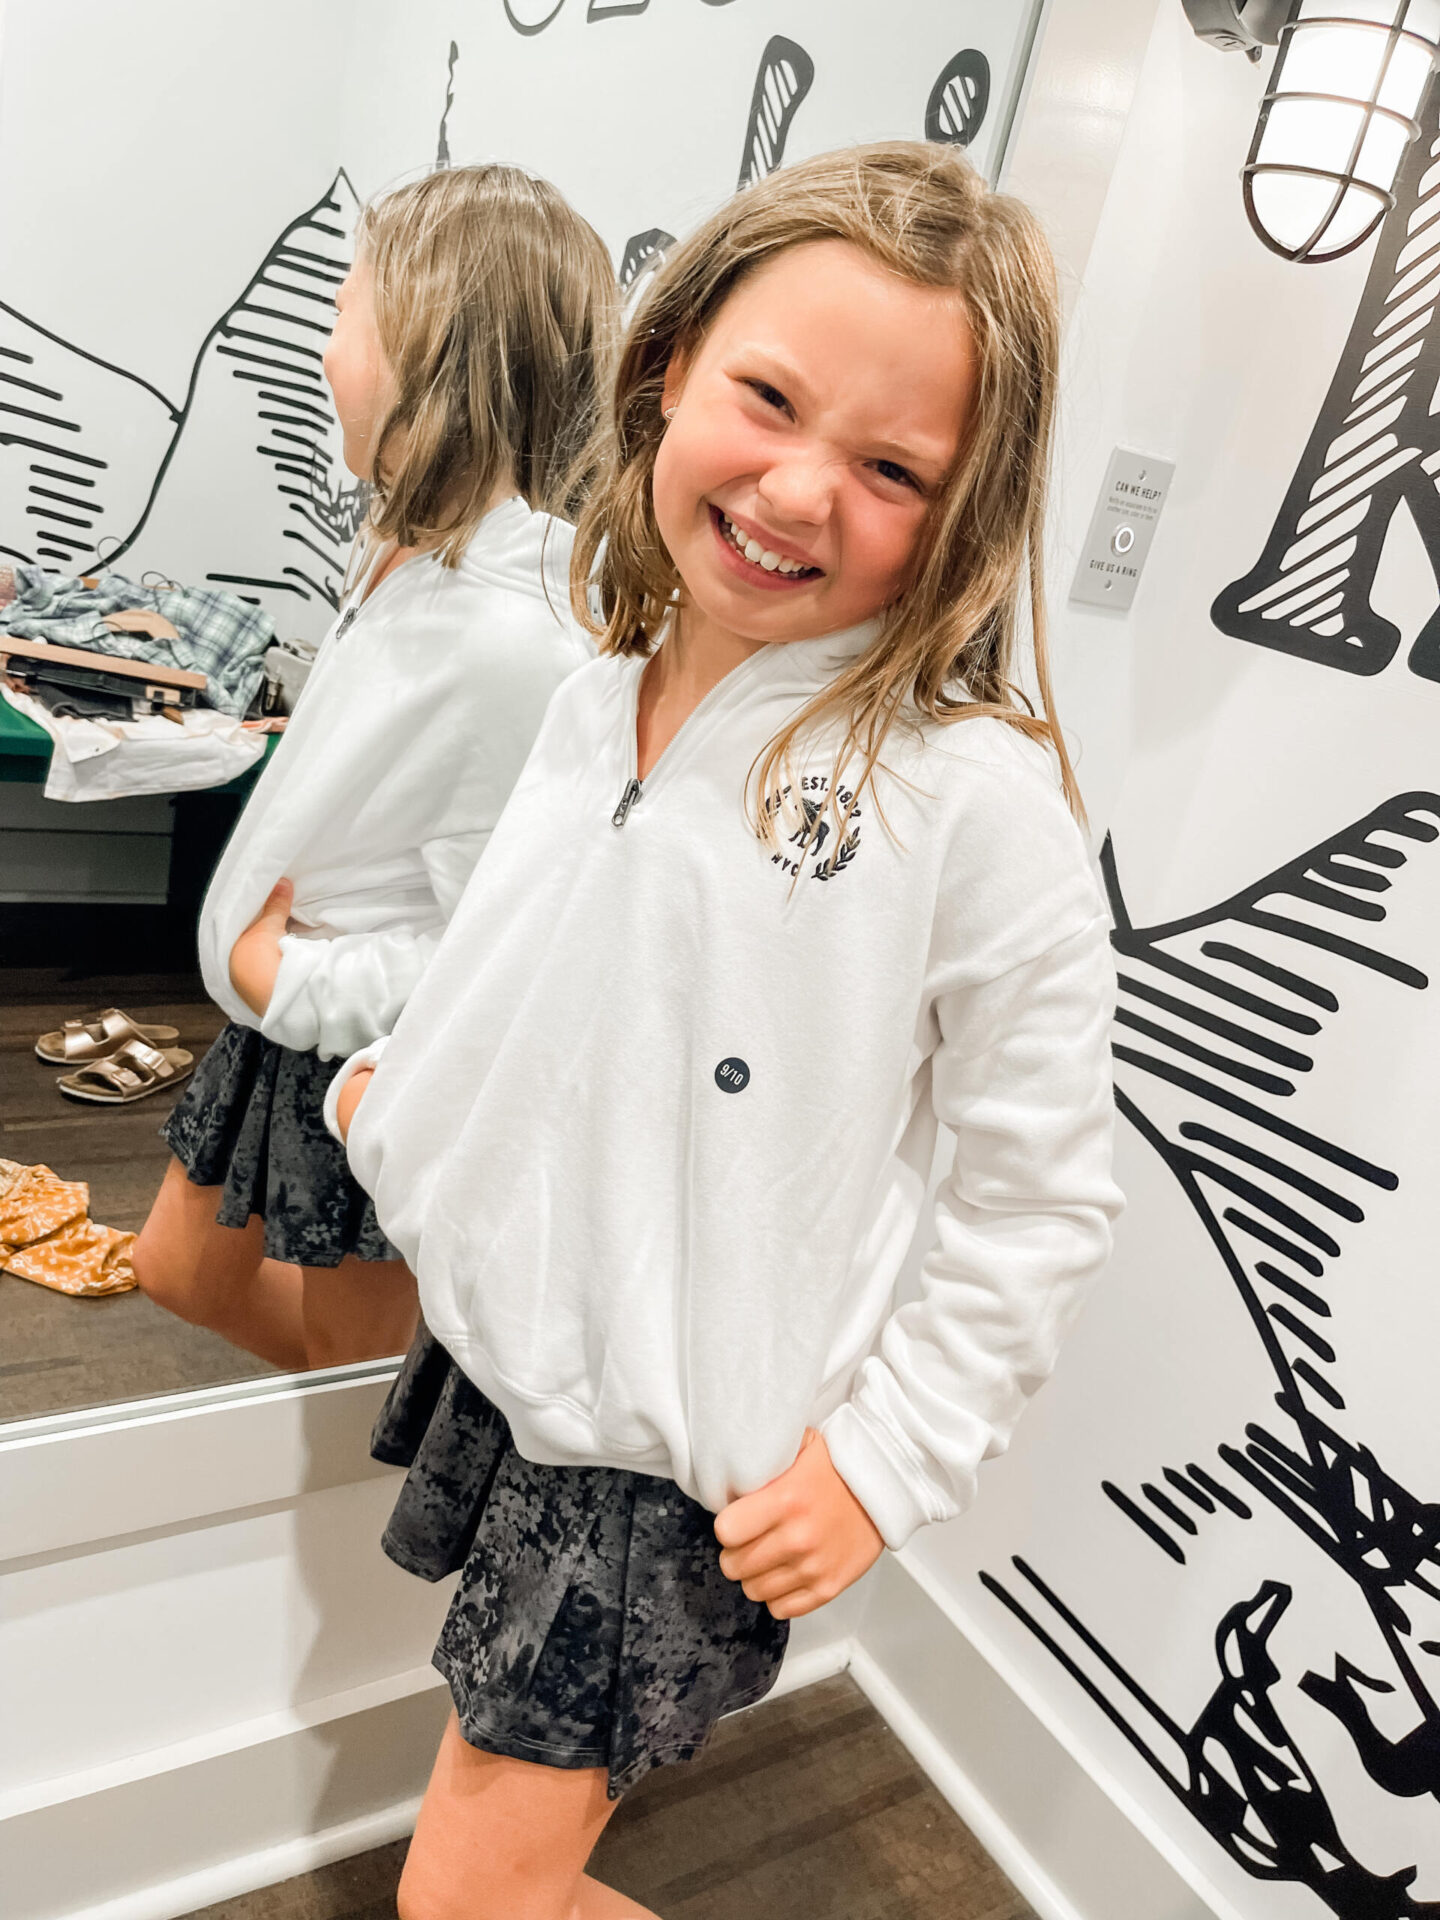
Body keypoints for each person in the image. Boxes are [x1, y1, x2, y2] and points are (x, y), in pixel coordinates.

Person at [331, 142, 1124, 1920]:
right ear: (669, 362)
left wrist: (888, 1457)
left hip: (670, 1468)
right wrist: (406, 1106)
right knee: (501, 1882)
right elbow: (528, 961)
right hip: (522, 1367)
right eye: (766, 396)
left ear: (964, 511)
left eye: (893, 467)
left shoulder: (968, 804)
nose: (798, 488)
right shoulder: (595, 687)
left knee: (466, 1894)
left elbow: (1038, 1194)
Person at [131, 165, 616, 1373]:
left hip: (357, 1034)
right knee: (177, 1270)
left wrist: (288, 977)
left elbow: (505, 956)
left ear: (429, 346)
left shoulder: (516, 643)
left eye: (353, 301)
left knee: (354, 1366)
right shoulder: (403, 544)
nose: (329, 333)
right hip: (284, 1012)